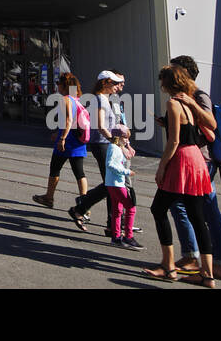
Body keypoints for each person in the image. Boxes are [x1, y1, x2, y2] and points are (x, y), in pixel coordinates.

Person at [143, 65, 218, 285]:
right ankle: (208, 275)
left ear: (168, 83)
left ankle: (168, 266)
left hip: (182, 159)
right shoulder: (189, 102)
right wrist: (193, 104)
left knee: (158, 209)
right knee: (197, 217)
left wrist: (161, 167)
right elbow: (211, 125)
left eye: (162, 81)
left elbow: (174, 141)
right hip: (197, 159)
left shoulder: (173, 103)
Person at [165, 56, 221, 279]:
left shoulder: (199, 95)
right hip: (192, 159)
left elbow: (210, 123)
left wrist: (191, 104)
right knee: (184, 208)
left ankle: (215, 262)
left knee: (207, 210)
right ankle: (196, 258)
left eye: (174, 70)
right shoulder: (182, 97)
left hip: (201, 160)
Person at [68, 71, 124, 233]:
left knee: (111, 183)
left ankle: (110, 222)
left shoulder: (105, 99)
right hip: (102, 144)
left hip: (105, 144)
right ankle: (82, 206)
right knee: (111, 183)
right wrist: (114, 139)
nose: (116, 86)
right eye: (113, 83)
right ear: (105, 82)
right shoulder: (100, 99)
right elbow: (100, 125)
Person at [32, 72, 89, 209]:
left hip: (67, 142)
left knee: (55, 169)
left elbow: (69, 120)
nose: (57, 86)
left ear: (64, 85)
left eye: (59, 83)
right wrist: (58, 132)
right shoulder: (76, 99)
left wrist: (62, 138)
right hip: (78, 142)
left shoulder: (66, 99)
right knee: (79, 173)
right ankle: (85, 204)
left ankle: (49, 197)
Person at [105, 126, 144, 248]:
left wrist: (126, 147)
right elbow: (110, 164)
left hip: (114, 183)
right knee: (131, 208)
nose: (127, 140)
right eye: (125, 138)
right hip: (116, 184)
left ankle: (116, 237)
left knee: (117, 210)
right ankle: (128, 236)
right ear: (118, 137)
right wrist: (126, 172)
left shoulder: (117, 148)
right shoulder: (114, 148)